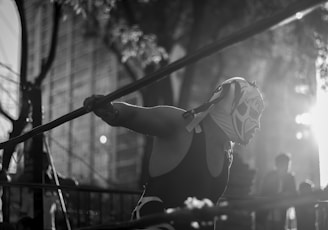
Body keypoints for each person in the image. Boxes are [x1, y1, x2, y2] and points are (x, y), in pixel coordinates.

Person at [83, 77, 265, 229]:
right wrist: (112, 110)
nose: (257, 125)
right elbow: (134, 115)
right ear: (232, 106)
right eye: (254, 113)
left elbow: (209, 211)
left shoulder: (227, 153)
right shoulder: (182, 126)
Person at [257, 152, 297, 230]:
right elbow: (263, 193)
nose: (286, 167)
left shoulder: (290, 177)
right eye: (284, 165)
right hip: (268, 210)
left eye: (287, 165)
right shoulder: (269, 176)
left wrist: (285, 195)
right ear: (278, 165)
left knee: (280, 226)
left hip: (282, 209)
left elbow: (293, 193)